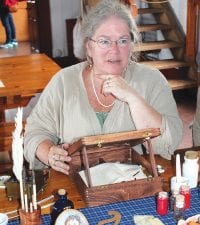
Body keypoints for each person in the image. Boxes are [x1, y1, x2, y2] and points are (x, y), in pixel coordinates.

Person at [24, 0, 183, 175]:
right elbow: (35, 133)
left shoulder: (152, 80)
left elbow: (170, 142)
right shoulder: (63, 81)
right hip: (74, 186)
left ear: (132, 45)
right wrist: (48, 152)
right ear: (89, 47)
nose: (114, 50)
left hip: (131, 186)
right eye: (104, 41)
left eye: (123, 40)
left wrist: (133, 98)